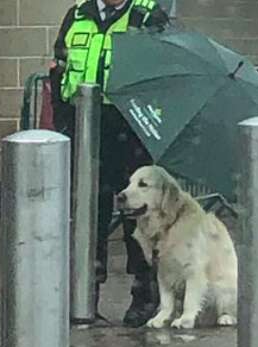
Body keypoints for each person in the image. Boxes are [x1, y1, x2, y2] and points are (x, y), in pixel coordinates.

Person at [50, 0, 169, 328]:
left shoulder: (146, 15)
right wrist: (63, 124)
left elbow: (162, 72)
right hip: (84, 124)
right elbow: (59, 69)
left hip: (129, 128)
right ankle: (85, 298)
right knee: (89, 216)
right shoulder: (77, 14)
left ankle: (144, 297)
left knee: (138, 218)